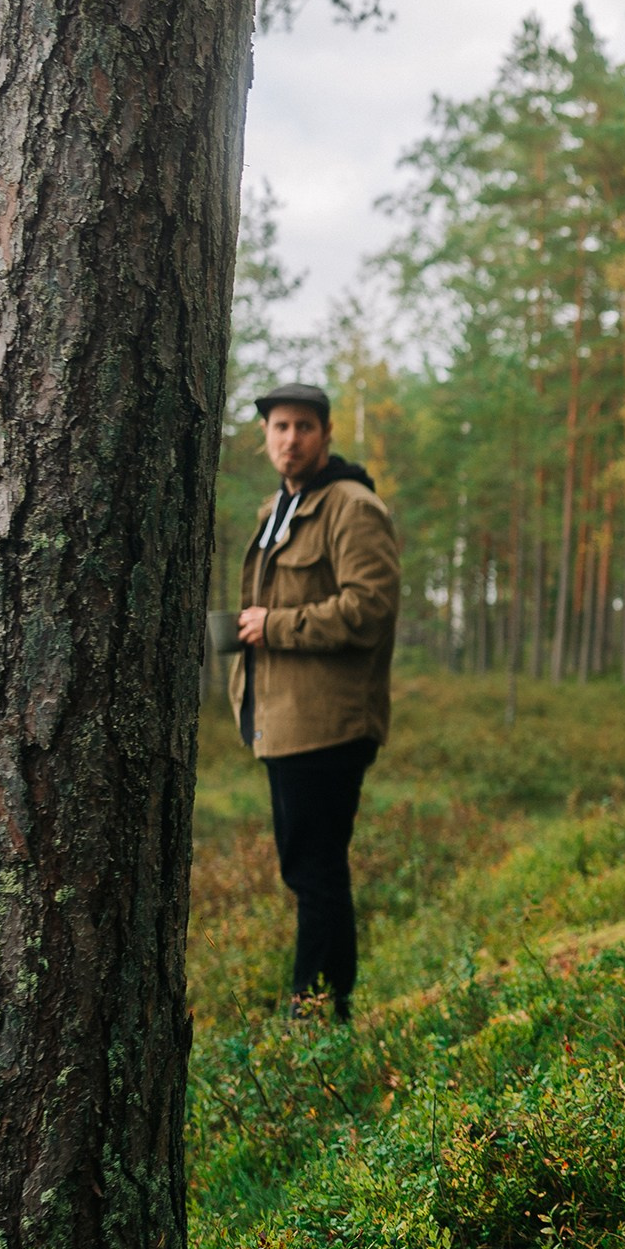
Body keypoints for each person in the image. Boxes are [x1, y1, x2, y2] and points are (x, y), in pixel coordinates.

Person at [231, 382, 400, 1023]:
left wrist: (274, 625)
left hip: (327, 725)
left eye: (304, 426)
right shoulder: (278, 509)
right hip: (284, 721)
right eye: (280, 426)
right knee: (312, 869)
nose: (290, 438)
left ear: (326, 435)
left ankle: (316, 1014)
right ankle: (327, 1009)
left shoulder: (352, 508)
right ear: (266, 436)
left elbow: (369, 610)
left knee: (315, 872)